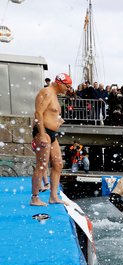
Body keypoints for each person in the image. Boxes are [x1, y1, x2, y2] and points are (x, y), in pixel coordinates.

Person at [30, 73, 73, 206]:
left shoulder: (54, 95)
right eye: (68, 86)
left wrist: (57, 121)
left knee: (58, 164)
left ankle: (53, 196)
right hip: (43, 132)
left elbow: (50, 113)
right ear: (60, 83)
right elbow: (38, 113)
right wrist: (42, 134)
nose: (68, 89)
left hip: (52, 134)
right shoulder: (47, 92)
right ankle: (35, 198)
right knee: (41, 166)